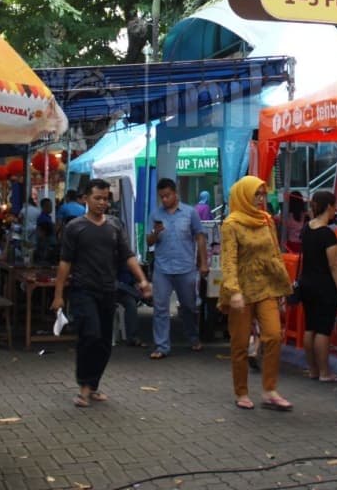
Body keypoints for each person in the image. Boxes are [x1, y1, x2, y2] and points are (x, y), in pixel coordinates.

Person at [51, 178, 153, 408]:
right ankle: (84, 387)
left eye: (105, 199)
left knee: (105, 341)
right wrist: (58, 295)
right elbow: (65, 263)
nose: (101, 203)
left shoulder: (115, 225)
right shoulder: (74, 227)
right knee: (90, 334)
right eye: (97, 198)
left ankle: (94, 384)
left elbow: (128, 256)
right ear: (85, 198)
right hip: (82, 290)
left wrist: (143, 280)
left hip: (109, 290)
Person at [219, 176, 294, 412]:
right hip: (240, 291)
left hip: (266, 288)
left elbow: (273, 254)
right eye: (256, 195)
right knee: (240, 343)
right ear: (244, 195)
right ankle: (241, 391)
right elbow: (228, 261)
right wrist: (234, 291)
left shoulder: (266, 220)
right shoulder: (231, 224)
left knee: (273, 335)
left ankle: (270, 390)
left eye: (263, 195)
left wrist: (283, 286)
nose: (261, 199)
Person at [146, 178, 209, 359]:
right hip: (162, 268)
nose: (164, 200)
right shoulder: (155, 214)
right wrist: (156, 233)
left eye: (167, 196)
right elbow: (149, 242)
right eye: (161, 197)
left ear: (175, 194)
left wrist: (203, 262)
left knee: (189, 306)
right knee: (160, 308)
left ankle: (192, 337)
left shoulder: (190, 213)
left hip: (185, 267)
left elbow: (200, 237)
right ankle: (161, 346)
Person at [300, 190, 337, 382]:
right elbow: (333, 265)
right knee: (323, 329)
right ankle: (325, 372)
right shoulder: (327, 234)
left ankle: (312, 370)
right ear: (329, 207)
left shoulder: (307, 228)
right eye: (334, 206)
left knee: (310, 327)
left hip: (307, 283)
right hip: (324, 285)